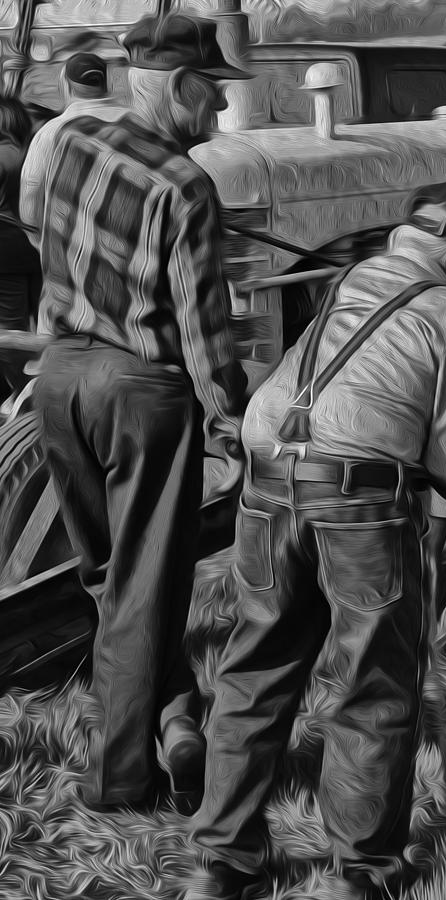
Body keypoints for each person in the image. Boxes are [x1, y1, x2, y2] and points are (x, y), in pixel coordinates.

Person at [186, 181, 446, 900]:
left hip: (268, 481)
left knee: (255, 669)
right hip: (358, 498)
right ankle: (361, 874)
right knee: (371, 685)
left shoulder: (351, 278)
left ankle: (220, 864)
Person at [24, 14, 248, 812]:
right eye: (214, 95)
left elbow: (53, 257)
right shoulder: (187, 185)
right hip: (140, 390)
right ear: (184, 89)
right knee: (144, 590)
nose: (218, 114)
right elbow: (202, 324)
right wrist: (231, 417)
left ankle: (179, 719)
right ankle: (122, 780)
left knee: (109, 579)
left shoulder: (74, 145)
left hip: (61, 378)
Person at [20, 52, 125, 249]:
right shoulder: (137, 123)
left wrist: (39, 242)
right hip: (130, 245)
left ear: (65, 84)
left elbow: (31, 189)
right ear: (106, 83)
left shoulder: (52, 132)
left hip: (70, 247)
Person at [0, 95, 40, 405]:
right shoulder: (32, 150)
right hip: (35, 248)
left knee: (10, 331)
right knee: (40, 326)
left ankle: (20, 393)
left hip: (5, 252)